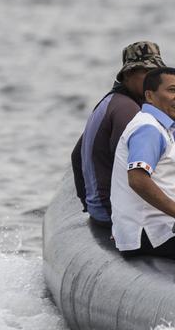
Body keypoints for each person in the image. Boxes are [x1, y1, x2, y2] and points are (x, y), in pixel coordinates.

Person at [70, 41, 166, 225]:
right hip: (112, 212)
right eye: (146, 73)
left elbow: (76, 156)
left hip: (98, 207)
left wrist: (87, 202)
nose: (152, 81)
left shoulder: (110, 101)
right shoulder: (127, 110)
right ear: (128, 74)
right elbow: (129, 171)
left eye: (156, 74)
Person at [109, 67, 175, 259]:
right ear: (149, 95)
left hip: (161, 229)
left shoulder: (167, 128)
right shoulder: (148, 129)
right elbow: (138, 180)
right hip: (150, 234)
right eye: (172, 90)